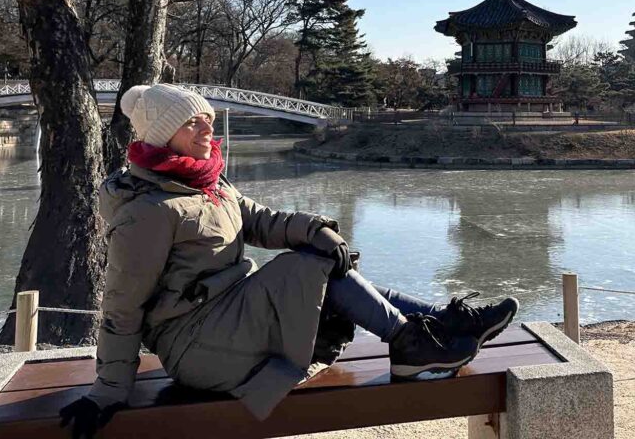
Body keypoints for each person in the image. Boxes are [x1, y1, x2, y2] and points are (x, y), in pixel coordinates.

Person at [59, 84, 518, 437]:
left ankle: (444, 322)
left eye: (207, 118)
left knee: (323, 253)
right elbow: (122, 305)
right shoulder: (146, 212)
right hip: (196, 345)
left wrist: (314, 227)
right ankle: (411, 343)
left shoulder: (205, 182)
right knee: (309, 266)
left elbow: (260, 220)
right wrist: (108, 392)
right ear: (163, 137)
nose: (207, 129)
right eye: (192, 124)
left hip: (236, 317)